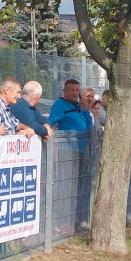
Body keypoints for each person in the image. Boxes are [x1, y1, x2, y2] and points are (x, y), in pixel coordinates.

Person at [49, 79, 94, 229]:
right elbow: (50, 123)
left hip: (82, 151)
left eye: (77, 90)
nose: (75, 93)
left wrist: (87, 111)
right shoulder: (59, 105)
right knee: (67, 187)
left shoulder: (79, 107)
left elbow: (88, 127)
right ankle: (62, 221)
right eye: (72, 90)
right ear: (64, 91)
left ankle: (77, 220)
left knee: (80, 186)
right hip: (67, 151)